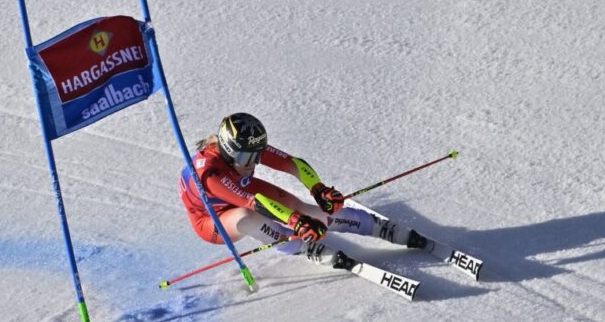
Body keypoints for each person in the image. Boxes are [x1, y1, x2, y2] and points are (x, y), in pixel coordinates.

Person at [179, 112, 427, 267]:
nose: (253, 163)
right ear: (227, 150)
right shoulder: (210, 173)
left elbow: (293, 164)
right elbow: (253, 202)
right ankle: (303, 248)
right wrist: (297, 223)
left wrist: (317, 189)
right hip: (212, 221)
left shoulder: (246, 149)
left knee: (303, 209)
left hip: (242, 193)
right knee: (248, 219)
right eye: (246, 158)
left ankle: (374, 226)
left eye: (257, 156)